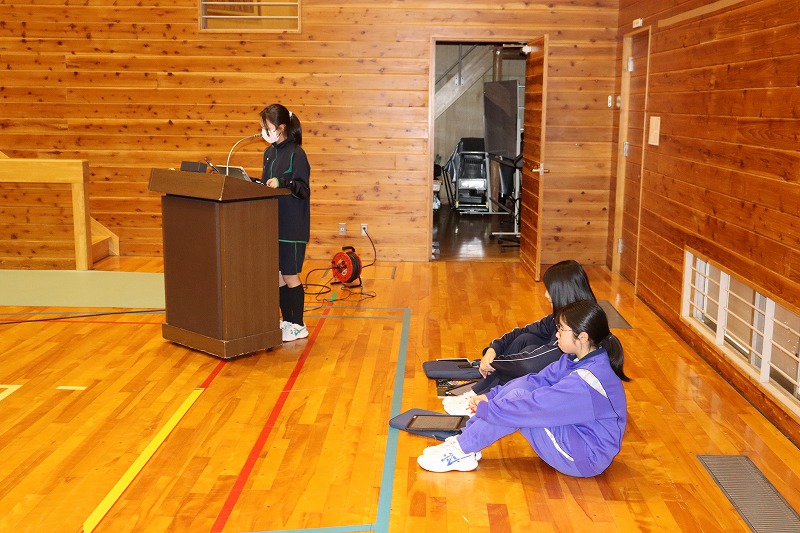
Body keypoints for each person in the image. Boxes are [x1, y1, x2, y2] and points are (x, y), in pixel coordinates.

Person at [419, 299, 630, 475]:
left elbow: (535, 408)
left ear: (582, 337)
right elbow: (534, 380)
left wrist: (489, 409)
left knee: (519, 404)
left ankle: (463, 449)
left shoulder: (587, 381)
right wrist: (490, 397)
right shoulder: (575, 359)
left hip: (585, 457)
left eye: (561, 329)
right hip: (575, 434)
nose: (556, 334)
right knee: (520, 389)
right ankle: (465, 444)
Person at [444, 260, 596, 412]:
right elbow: (523, 332)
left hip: (558, 391)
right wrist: (493, 350)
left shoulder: (574, 329)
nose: (545, 295)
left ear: (563, 291)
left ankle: (487, 394)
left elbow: (529, 364)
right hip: (548, 377)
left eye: (549, 289)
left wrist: (494, 363)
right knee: (526, 339)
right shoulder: (566, 315)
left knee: (527, 354)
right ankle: (486, 389)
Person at [259, 103, 311, 342]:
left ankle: (299, 324)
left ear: (280, 127)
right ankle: (288, 321)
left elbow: (303, 189)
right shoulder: (269, 153)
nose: (263, 131)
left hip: (292, 226)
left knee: (290, 275)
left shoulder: (297, 153)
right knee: (278, 275)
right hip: (273, 224)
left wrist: (284, 183)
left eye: (266, 126)